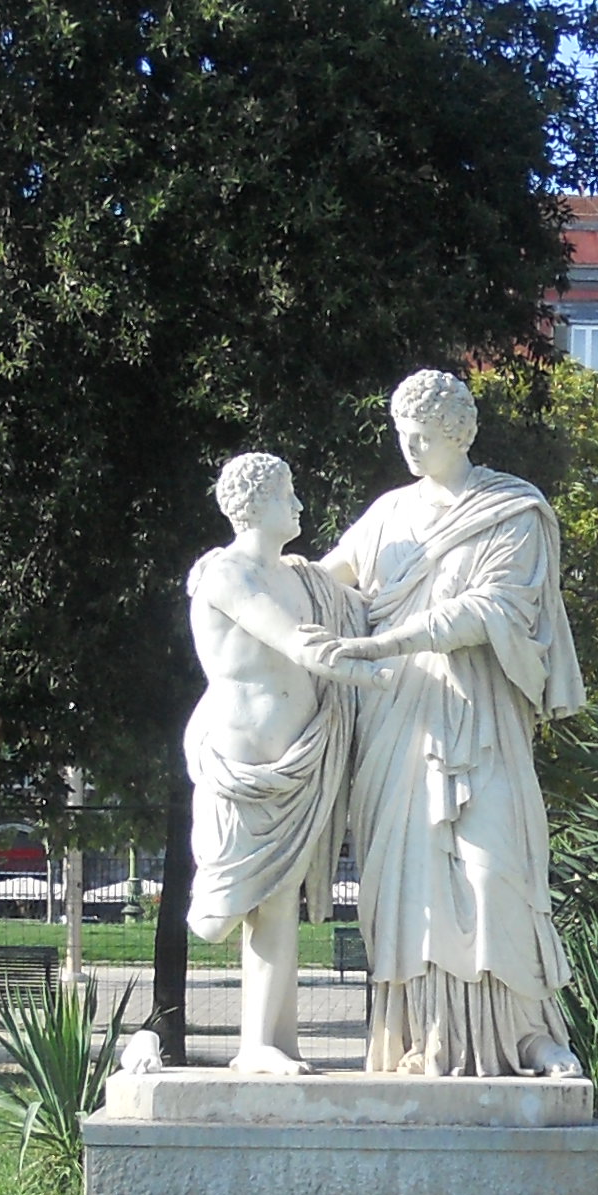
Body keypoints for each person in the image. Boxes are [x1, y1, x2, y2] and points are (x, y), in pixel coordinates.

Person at [324, 369, 585, 1076]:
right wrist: (250, 572)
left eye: (424, 435)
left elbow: (493, 610)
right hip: (399, 728)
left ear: (461, 433)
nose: (409, 448)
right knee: (410, 888)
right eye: (401, 434)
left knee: (495, 871)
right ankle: (421, 1038)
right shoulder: (387, 514)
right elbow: (327, 581)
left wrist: (387, 641)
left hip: (480, 717)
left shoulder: (511, 511)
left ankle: (527, 1034)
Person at [181, 451, 360, 1072]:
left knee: (280, 903)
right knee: (226, 913)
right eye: (290, 493)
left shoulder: (303, 577)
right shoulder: (225, 575)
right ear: (256, 502)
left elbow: (363, 600)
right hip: (243, 762)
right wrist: (379, 667)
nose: (301, 505)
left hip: (299, 761)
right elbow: (291, 639)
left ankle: (268, 1043)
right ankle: (261, 1043)